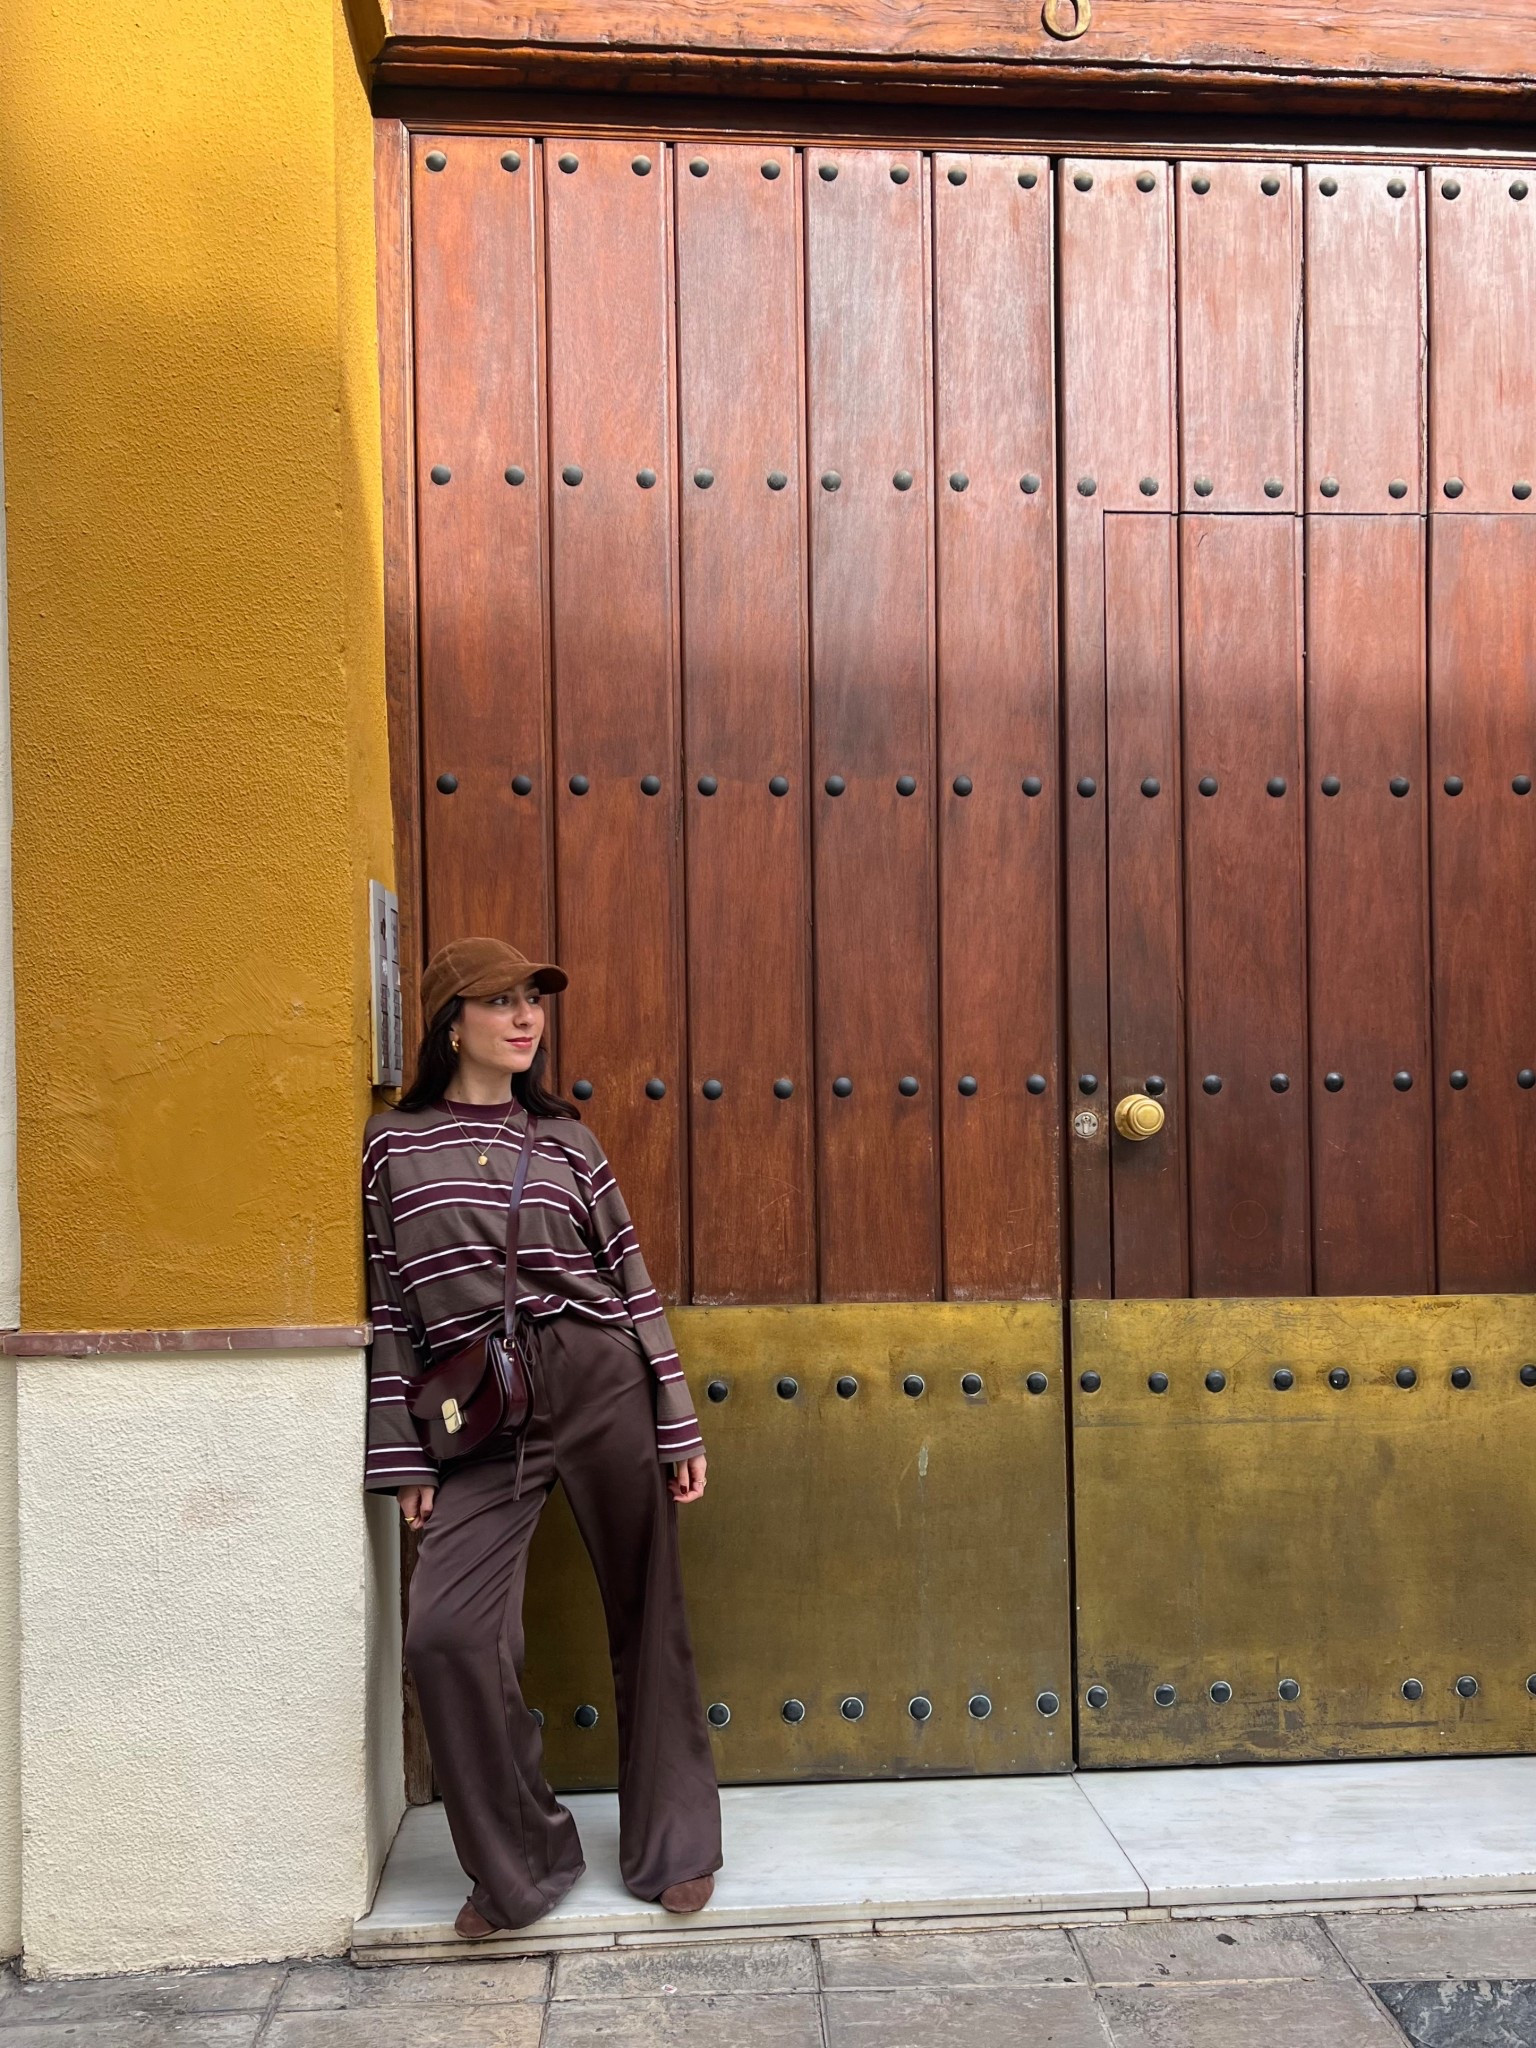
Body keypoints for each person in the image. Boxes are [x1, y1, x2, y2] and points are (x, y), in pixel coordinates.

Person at [362, 935, 722, 1934]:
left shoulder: (568, 1140)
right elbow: (391, 1309)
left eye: (533, 1000)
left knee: (649, 1609)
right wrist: (401, 1458)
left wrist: (676, 1413)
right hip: (482, 1404)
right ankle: (525, 1854)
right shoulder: (392, 1143)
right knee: (447, 1634)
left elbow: (630, 1278)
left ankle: (677, 1843)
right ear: (450, 1023)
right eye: (499, 1001)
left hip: (601, 1374)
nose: (525, 1017)